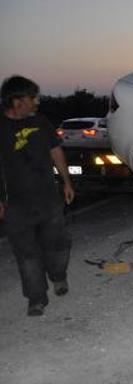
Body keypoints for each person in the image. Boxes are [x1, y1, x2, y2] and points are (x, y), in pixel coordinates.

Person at [0, 75, 75, 316]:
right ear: (18, 100)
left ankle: (58, 276)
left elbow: (56, 152)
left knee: (58, 245)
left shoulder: (41, 122)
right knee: (27, 254)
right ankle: (36, 298)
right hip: (15, 205)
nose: (37, 102)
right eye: (33, 98)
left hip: (48, 199)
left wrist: (66, 181)